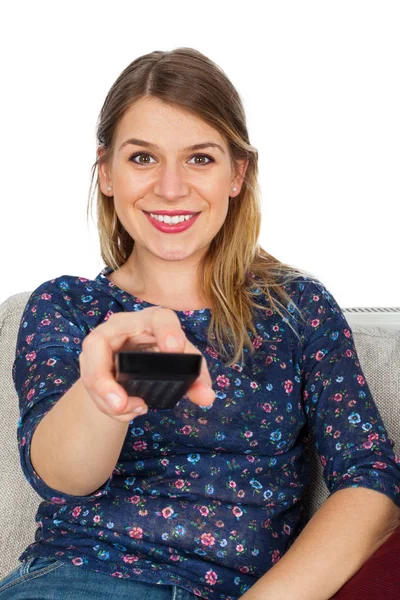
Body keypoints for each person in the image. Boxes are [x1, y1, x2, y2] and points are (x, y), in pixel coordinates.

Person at [1, 47, 399, 600]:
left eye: (200, 159)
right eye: (142, 158)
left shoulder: (297, 309)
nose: (169, 187)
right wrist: (112, 390)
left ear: (238, 174)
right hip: (84, 580)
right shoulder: (68, 307)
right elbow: (60, 475)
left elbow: (370, 479)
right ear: (107, 173)